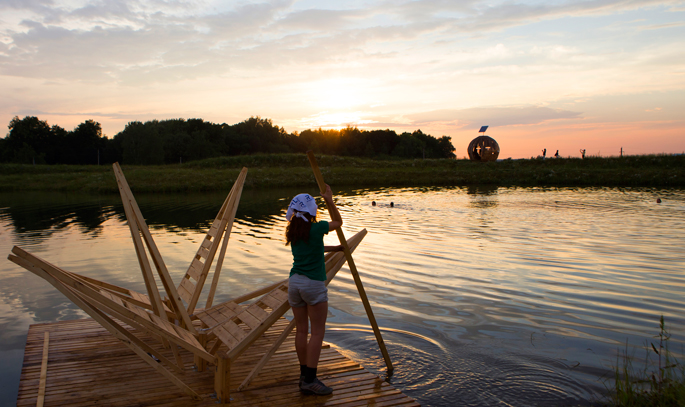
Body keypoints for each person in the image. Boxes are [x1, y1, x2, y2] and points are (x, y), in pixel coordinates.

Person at [285, 185, 342, 396]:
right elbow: (338, 222)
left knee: (301, 330)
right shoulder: (317, 228)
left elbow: (313, 247)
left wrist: (333, 249)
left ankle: (303, 375)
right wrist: (329, 200)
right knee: (317, 332)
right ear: (311, 211)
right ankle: (310, 380)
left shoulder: (294, 230)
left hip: (295, 283)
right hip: (312, 285)